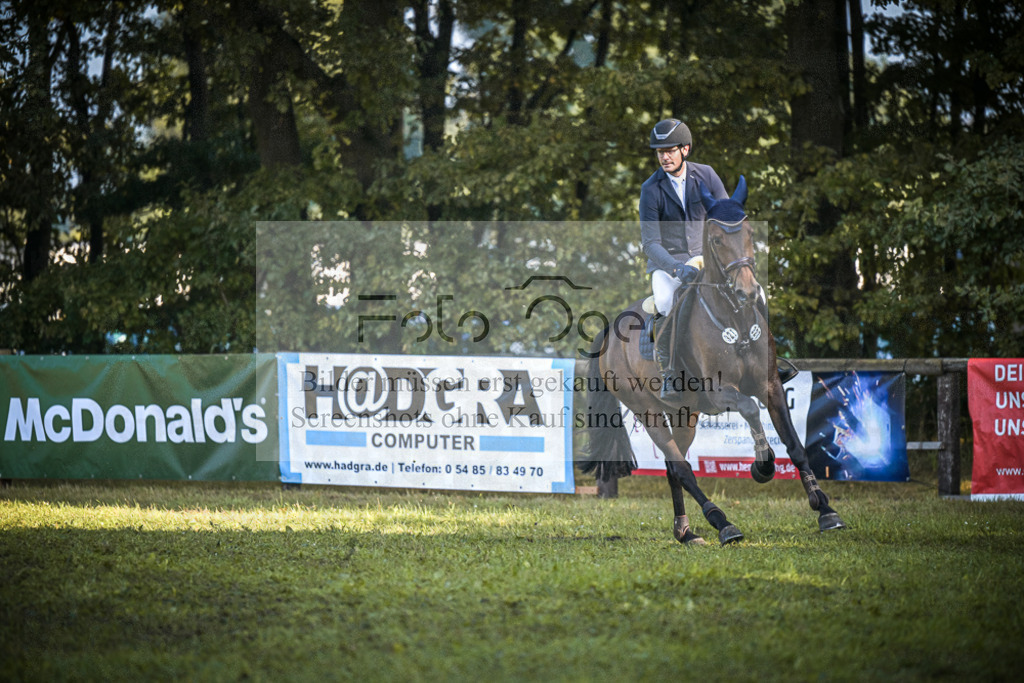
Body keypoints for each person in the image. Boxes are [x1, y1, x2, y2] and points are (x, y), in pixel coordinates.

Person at [639, 118, 728, 398]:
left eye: (670, 150)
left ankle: (765, 360)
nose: (664, 156)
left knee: (752, 290)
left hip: (707, 258)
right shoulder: (650, 190)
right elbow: (650, 243)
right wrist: (676, 268)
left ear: (685, 149)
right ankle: (669, 372)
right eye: (659, 152)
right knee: (666, 301)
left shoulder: (707, 176)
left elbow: (724, 217)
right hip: (669, 263)